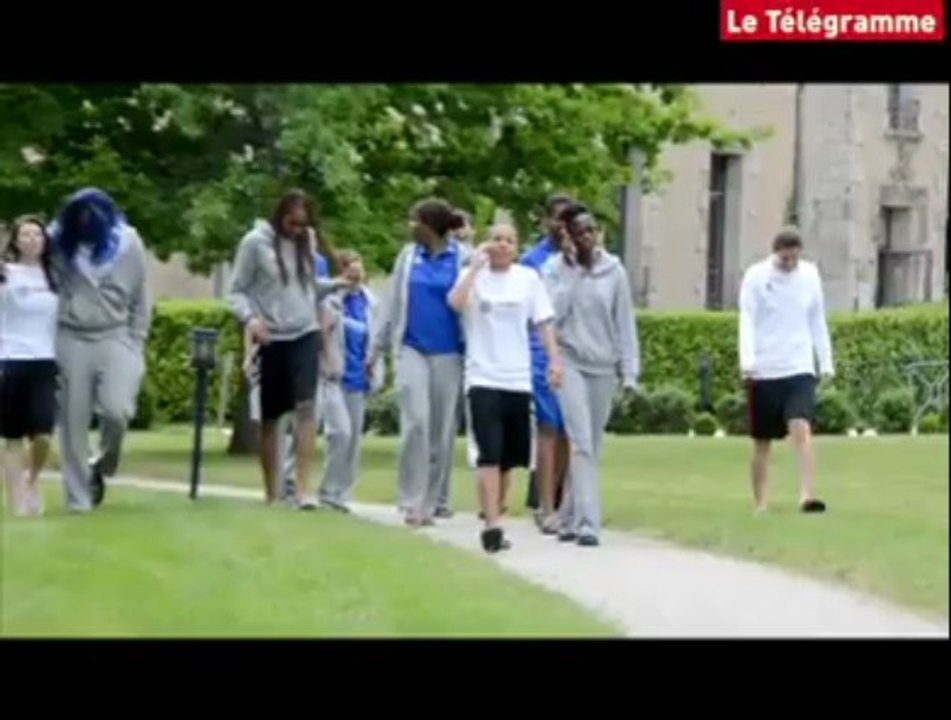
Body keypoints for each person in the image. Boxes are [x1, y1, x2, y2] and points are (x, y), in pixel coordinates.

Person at [449, 224, 562, 553]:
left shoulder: (528, 279)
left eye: (509, 240)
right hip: (482, 376)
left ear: (517, 247)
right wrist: (475, 267)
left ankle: (495, 510)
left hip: (517, 378)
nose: (502, 245)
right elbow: (456, 303)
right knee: (489, 451)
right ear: (487, 243)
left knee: (511, 456)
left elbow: (543, 321)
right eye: (496, 239)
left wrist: (555, 359)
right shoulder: (473, 275)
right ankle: (493, 525)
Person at [368, 199, 472, 527]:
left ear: (431, 226)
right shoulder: (408, 257)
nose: (410, 226)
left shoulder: (463, 258)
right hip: (412, 348)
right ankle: (412, 499)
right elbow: (391, 303)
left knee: (441, 429)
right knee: (416, 422)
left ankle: (435, 499)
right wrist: (375, 348)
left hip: (449, 352)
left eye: (415, 221)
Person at [542, 203, 640, 547]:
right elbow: (551, 314)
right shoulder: (554, 269)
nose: (587, 238)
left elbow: (624, 322)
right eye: (579, 232)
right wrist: (572, 271)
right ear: (567, 236)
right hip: (570, 362)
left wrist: (630, 371)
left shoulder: (614, 271)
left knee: (591, 446)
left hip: (603, 366)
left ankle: (568, 515)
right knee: (580, 441)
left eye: (591, 230)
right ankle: (588, 523)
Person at [48, 188, 151, 513]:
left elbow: (141, 297)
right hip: (71, 336)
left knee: (116, 410)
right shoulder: (56, 242)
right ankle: (79, 499)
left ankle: (103, 464)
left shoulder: (128, 243)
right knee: (72, 421)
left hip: (116, 335)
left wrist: (136, 339)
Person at [228, 189, 327, 509]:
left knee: (306, 407)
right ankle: (272, 493)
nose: (297, 229)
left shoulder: (306, 242)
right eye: (293, 222)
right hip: (272, 336)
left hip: (304, 332)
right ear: (280, 214)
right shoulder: (255, 243)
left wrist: (340, 282)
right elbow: (236, 292)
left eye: (303, 224)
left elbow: (307, 286)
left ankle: (302, 490)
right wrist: (251, 320)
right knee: (271, 418)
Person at [738, 227, 833, 514]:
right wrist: (747, 360)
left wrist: (825, 361)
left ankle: (806, 495)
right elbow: (747, 318)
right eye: (784, 260)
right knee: (762, 442)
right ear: (775, 253)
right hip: (765, 369)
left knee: (801, 427)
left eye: (794, 259)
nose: (789, 264)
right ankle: (761, 503)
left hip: (799, 366)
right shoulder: (756, 276)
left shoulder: (810, 276)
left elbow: (817, 319)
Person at [521, 193, 575, 533]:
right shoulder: (533, 261)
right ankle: (544, 504)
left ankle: (565, 501)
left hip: (575, 352)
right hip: (542, 351)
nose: (563, 225)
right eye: (557, 218)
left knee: (572, 431)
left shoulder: (582, 258)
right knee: (548, 427)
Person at [0, 217, 59, 517]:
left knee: (43, 433)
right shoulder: (6, 273)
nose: (32, 239)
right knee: (12, 437)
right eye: (25, 234)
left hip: (45, 360)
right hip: (11, 358)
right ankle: (17, 502)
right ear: (15, 241)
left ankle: (32, 478)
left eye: (38, 234)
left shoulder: (53, 276)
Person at [317, 250, 384, 512]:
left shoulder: (372, 303)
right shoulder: (331, 301)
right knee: (339, 433)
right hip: (334, 376)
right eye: (350, 272)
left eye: (359, 272)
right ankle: (328, 491)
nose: (355, 277)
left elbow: (377, 338)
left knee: (353, 439)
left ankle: (342, 494)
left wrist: (376, 368)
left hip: (360, 379)